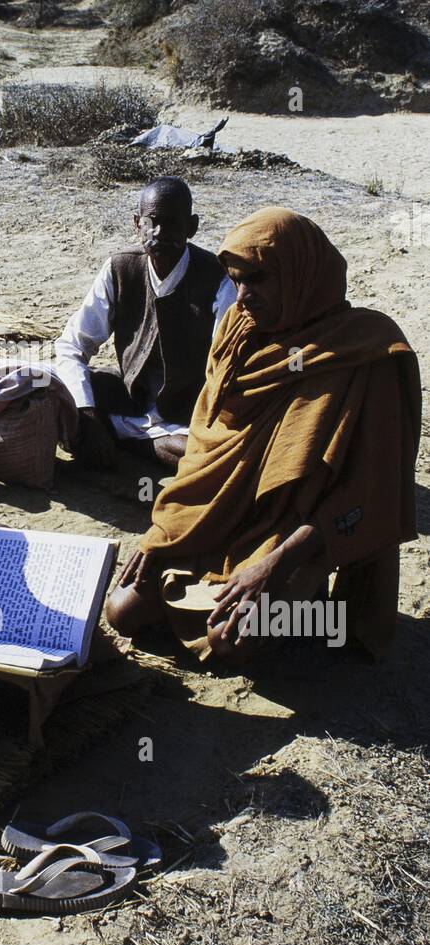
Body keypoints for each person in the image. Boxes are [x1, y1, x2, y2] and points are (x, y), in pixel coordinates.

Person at [106, 207, 421, 665]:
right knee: (123, 611)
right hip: (217, 517)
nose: (243, 294)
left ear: (300, 274)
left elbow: (369, 491)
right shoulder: (238, 329)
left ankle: (308, 600)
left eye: (257, 279)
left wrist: (275, 564)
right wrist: (164, 532)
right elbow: (205, 446)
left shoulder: (368, 353)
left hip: (294, 536)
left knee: (233, 641)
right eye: (235, 279)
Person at [56, 176, 236, 470]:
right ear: (137, 223)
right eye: (152, 222)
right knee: (41, 389)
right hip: (127, 401)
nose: (160, 233)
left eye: (173, 223)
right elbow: (72, 345)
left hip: (183, 418)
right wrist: (86, 411)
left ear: (191, 227)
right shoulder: (120, 268)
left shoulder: (217, 279)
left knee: (211, 459)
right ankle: (112, 433)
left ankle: (129, 441)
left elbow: (224, 368)